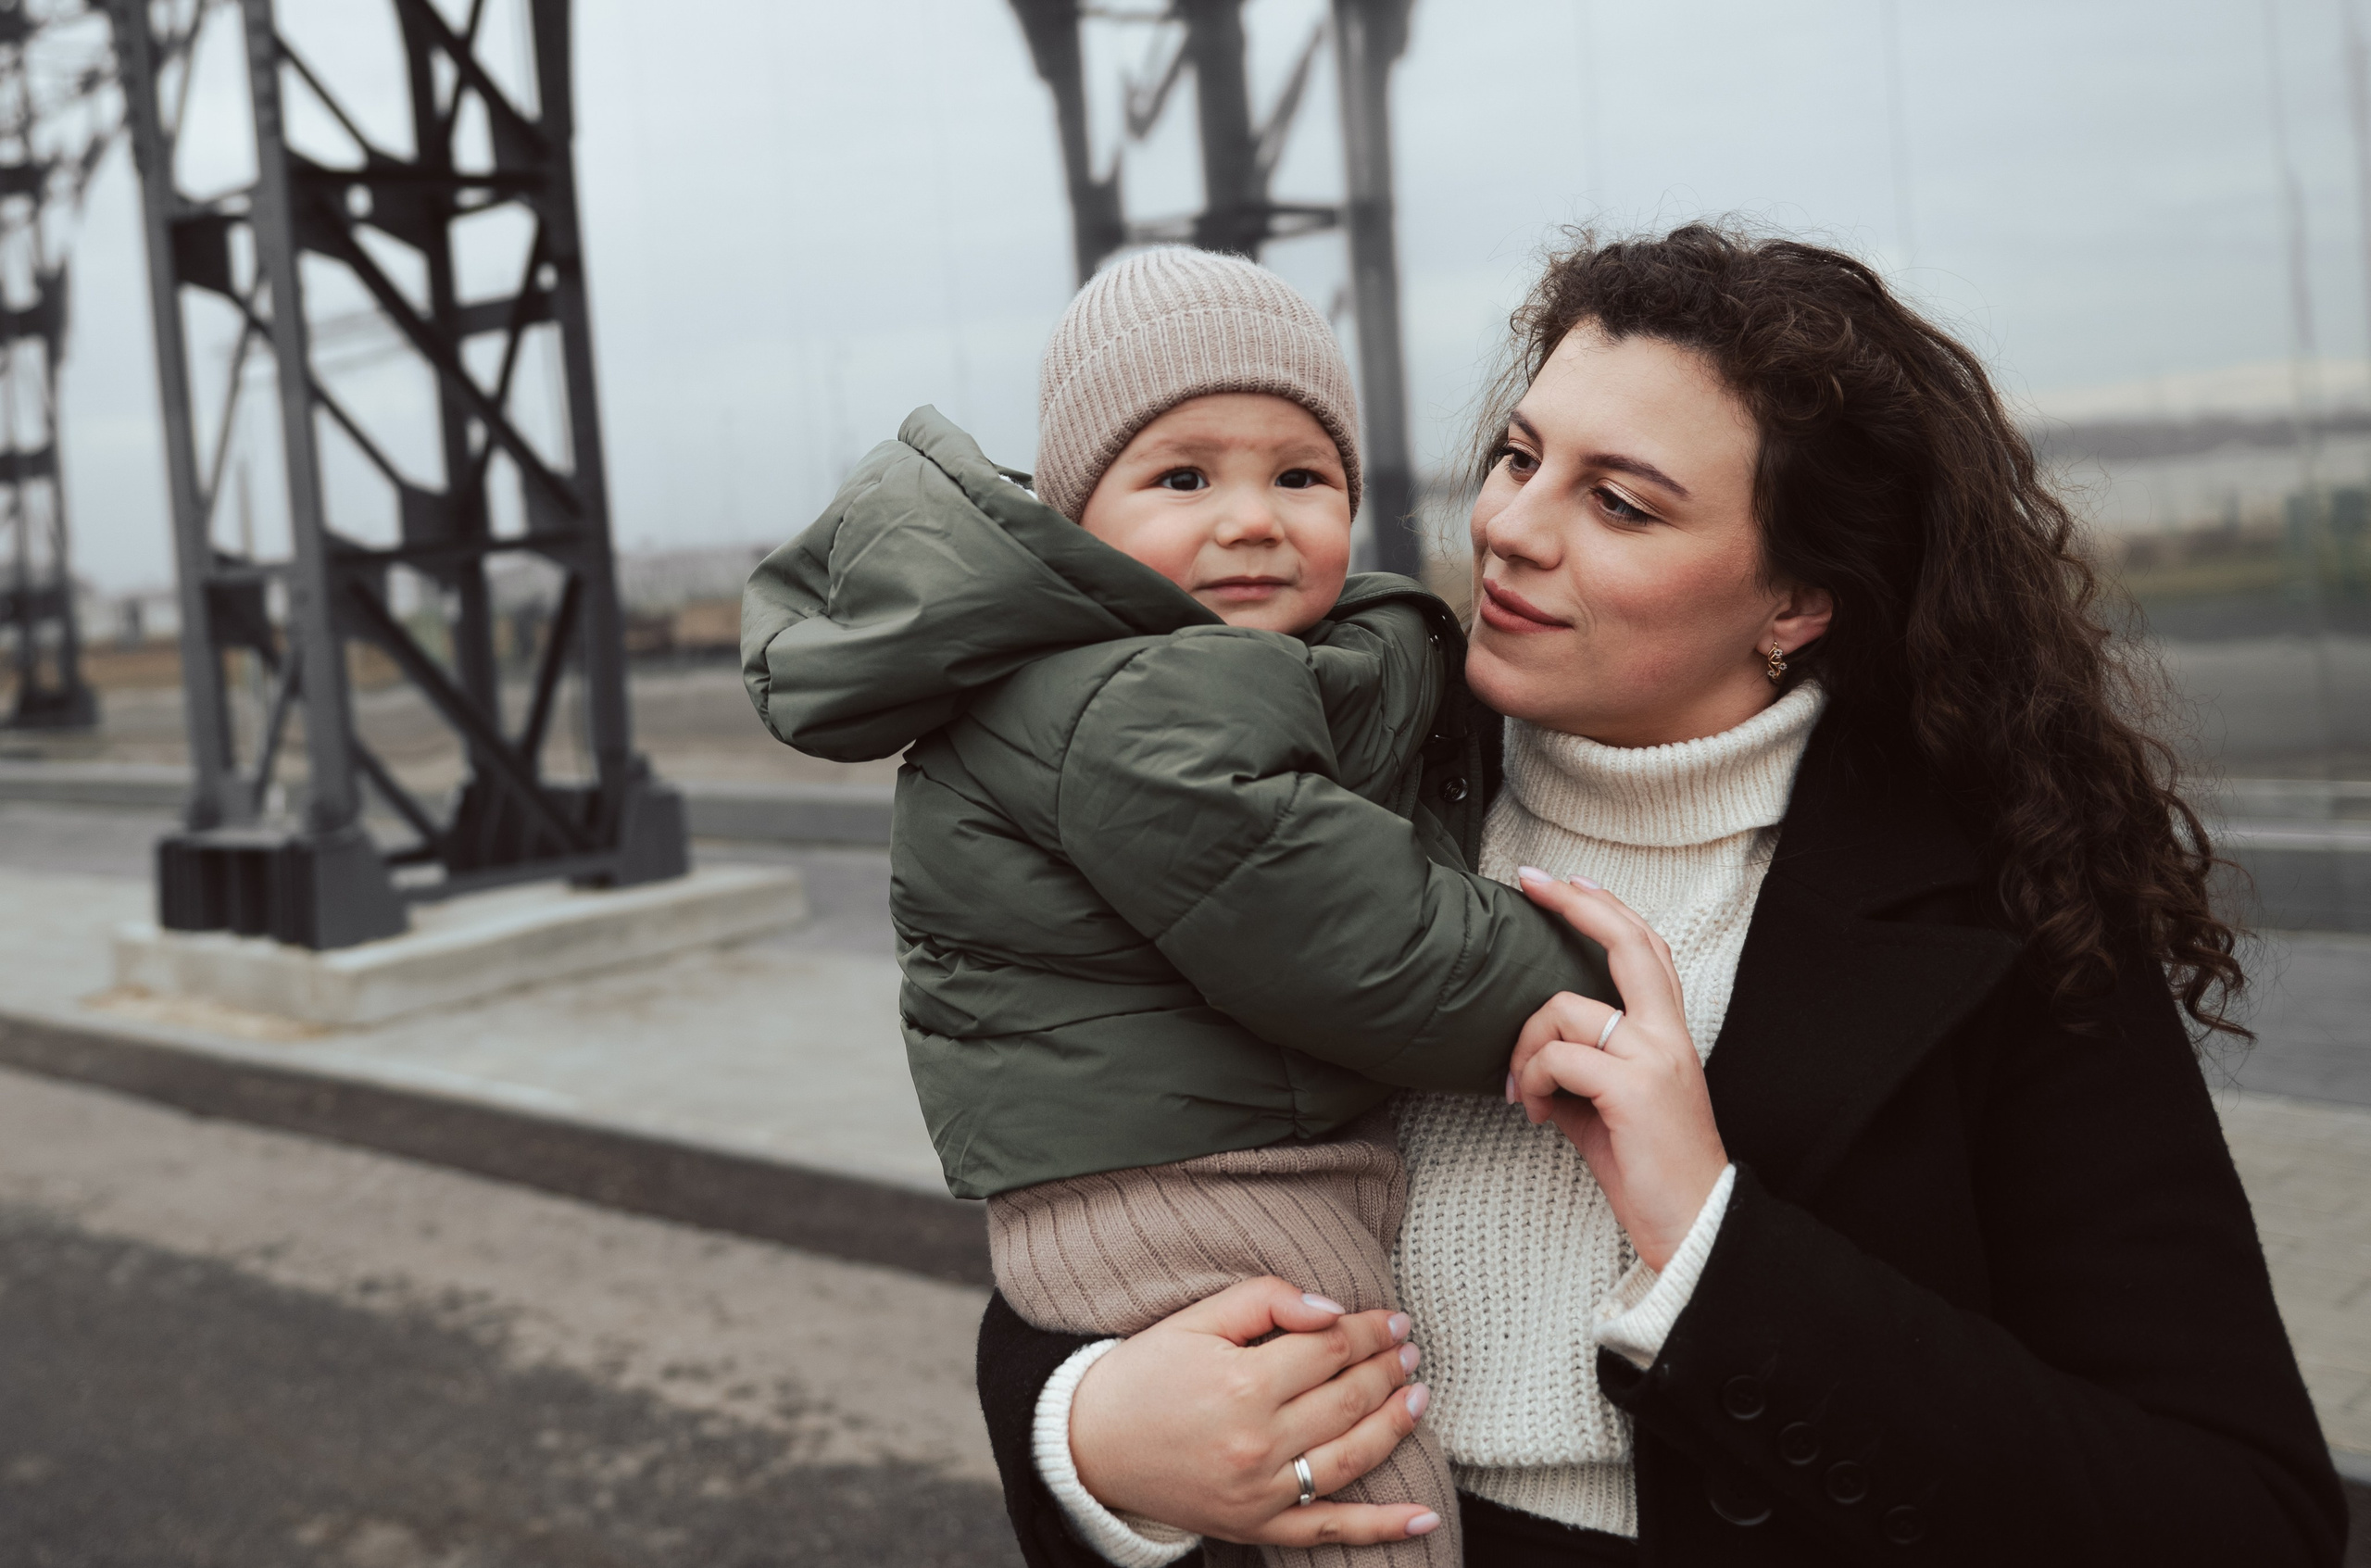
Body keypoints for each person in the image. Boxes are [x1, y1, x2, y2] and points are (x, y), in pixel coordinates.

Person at [973, 225, 2350, 1567]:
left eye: (1620, 503)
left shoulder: (2000, 912)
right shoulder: (1312, 780)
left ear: (1796, 602)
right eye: (1520, 456)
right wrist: (1087, 1437)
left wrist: (1708, 1242)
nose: (1508, 527)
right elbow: (1096, 1185)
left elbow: (2239, 1515)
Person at [742, 247, 1624, 1568]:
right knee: (1368, 1482)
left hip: (1193, 1164)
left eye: (1301, 477)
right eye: (1184, 478)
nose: (1253, 518)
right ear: (1077, 517)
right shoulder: (1141, 704)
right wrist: (1595, 979)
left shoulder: (1216, 675)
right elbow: (1363, 945)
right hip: (1186, 1188)